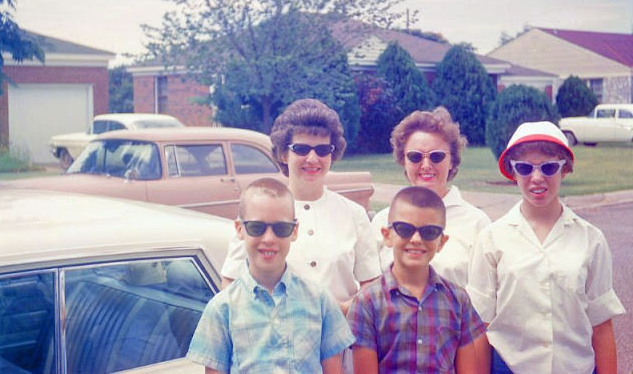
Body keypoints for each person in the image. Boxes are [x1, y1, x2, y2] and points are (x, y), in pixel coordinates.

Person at [467, 121, 626, 374]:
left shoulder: (591, 239)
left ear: (565, 170)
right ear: (513, 171)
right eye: (525, 168)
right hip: (510, 367)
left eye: (549, 167)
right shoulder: (491, 240)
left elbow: (601, 326)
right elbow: (479, 327)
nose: (537, 177)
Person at [220, 98, 381, 313]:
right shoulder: (258, 210)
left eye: (323, 150)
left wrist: (341, 311)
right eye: (301, 149)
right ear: (284, 154)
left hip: (341, 340)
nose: (313, 158)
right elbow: (230, 283)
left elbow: (371, 286)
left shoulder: (354, 214)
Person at [187, 177, 354, 373]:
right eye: (257, 227)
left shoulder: (319, 300)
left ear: (294, 230)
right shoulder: (221, 310)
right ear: (240, 229)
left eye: (280, 228)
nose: (268, 239)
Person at [348, 186, 488, 373]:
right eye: (404, 229)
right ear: (387, 236)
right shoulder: (367, 302)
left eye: (429, 232)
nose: (415, 239)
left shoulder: (458, 299)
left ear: (442, 242)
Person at [371, 107, 490, 287]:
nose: (426, 165)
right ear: (404, 160)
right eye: (415, 156)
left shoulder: (477, 224)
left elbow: (484, 297)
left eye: (436, 156)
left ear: (452, 162)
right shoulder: (382, 220)